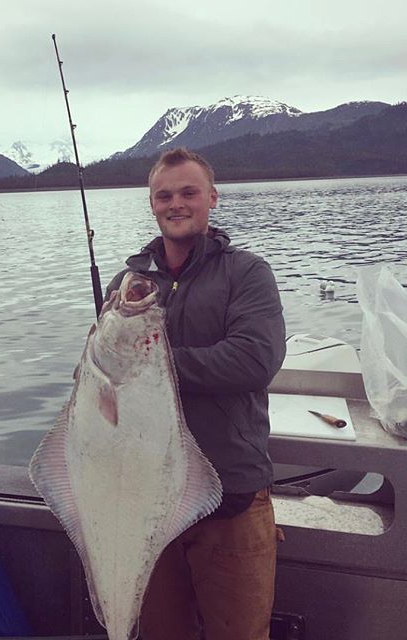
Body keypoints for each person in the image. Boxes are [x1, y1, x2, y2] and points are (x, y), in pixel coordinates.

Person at [105, 147, 286, 640]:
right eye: (164, 195)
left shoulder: (247, 274)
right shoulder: (128, 284)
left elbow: (254, 360)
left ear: (212, 198)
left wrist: (147, 366)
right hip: (148, 502)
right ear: (151, 204)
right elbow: (105, 378)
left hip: (231, 496)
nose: (175, 203)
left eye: (188, 192)